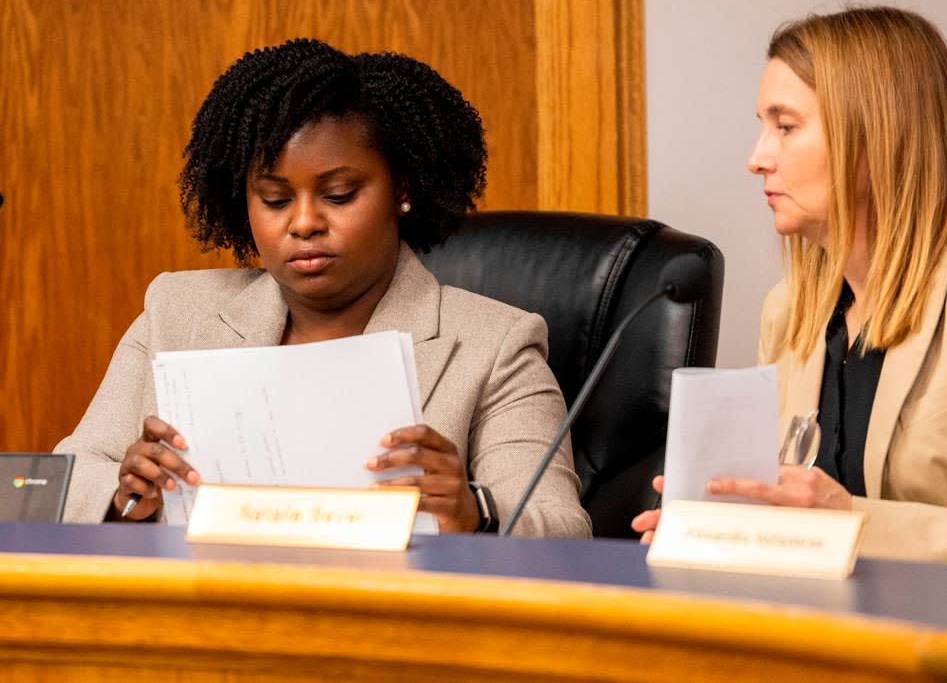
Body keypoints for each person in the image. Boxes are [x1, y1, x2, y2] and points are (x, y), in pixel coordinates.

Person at [633, 6, 947, 562]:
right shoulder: (790, 310)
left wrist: (853, 523)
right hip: (822, 637)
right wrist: (721, 531)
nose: (757, 158)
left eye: (786, 126)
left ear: (875, 136)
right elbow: (795, 526)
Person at [55, 38, 591, 538]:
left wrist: (475, 512)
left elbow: (562, 527)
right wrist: (124, 495)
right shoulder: (177, 311)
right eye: (274, 199)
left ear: (401, 188)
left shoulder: (495, 344)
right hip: (201, 616)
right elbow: (64, 479)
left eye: (338, 194)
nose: (304, 222)